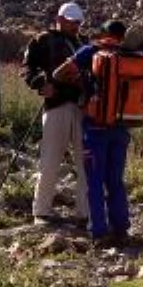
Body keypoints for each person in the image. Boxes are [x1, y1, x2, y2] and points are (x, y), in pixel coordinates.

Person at [59, 19, 134, 247]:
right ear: (123, 36)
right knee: (115, 180)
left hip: (95, 127)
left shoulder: (91, 50)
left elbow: (59, 73)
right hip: (122, 128)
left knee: (94, 179)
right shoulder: (131, 54)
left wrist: (79, 78)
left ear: (103, 33)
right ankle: (121, 229)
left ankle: (99, 232)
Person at [22, 2, 88, 226]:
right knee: (50, 159)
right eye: (72, 21)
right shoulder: (42, 40)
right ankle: (41, 211)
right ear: (59, 19)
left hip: (82, 107)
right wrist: (40, 84)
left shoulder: (83, 42)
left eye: (78, 22)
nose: (75, 26)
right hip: (56, 104)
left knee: (85, 161)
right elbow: (27, 68)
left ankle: (84, 213)